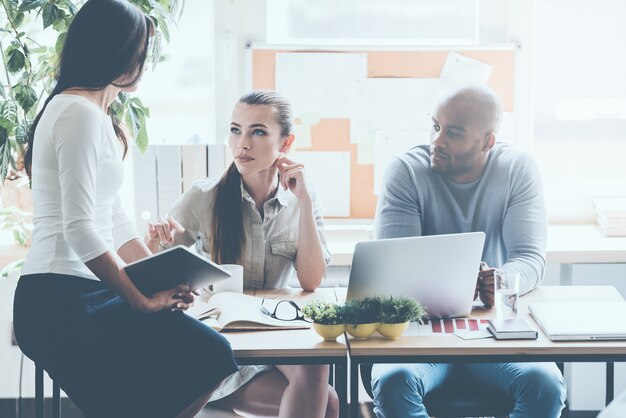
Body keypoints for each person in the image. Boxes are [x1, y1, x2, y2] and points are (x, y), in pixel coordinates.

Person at [12, 1, 237, 417]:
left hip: (82, 290)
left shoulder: (96, 116)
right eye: (140, 52)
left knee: (202, 360)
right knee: (209, 354)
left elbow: (113, 218)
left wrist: (162, 273)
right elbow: (80, 228)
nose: (144, 64)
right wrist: (138, 298)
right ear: (112, 52)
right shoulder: (77, 113)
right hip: (58, 297)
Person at [371, 85, 567, 418]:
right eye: (435, 126)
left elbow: (530, 258)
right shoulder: (405, 171)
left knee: (544, 384)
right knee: (395, 381)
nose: (437, 140)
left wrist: (501, 279)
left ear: (487, 141)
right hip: (421, 330)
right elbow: (394, 270)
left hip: (491, 329)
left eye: (453, 133)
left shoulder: (516, 169)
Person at [145, 90, 339, 418]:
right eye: (236, 130)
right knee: (331, 403)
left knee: (316, 365)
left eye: (257, 131)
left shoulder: (304, 198)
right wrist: (153, 242)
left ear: (286, 143)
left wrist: (304, 201)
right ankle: (207, 393)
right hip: (221, 347)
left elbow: (311, 279)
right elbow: (150, 272)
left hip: (274, 335)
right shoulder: (204, 196)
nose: (242, 143)